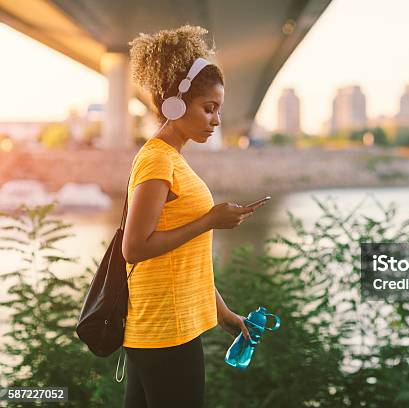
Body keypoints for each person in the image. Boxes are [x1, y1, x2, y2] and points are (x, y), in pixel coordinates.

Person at [121, 25, 265, 408]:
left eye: (219, 109)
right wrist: (209, 220)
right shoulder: (156, 160)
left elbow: (188, 259)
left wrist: (225, 315)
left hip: (165, 328)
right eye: (209, 108)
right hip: (166, 332)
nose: (216, 120)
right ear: (174, 104)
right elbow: (134, 248)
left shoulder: (173, 161)